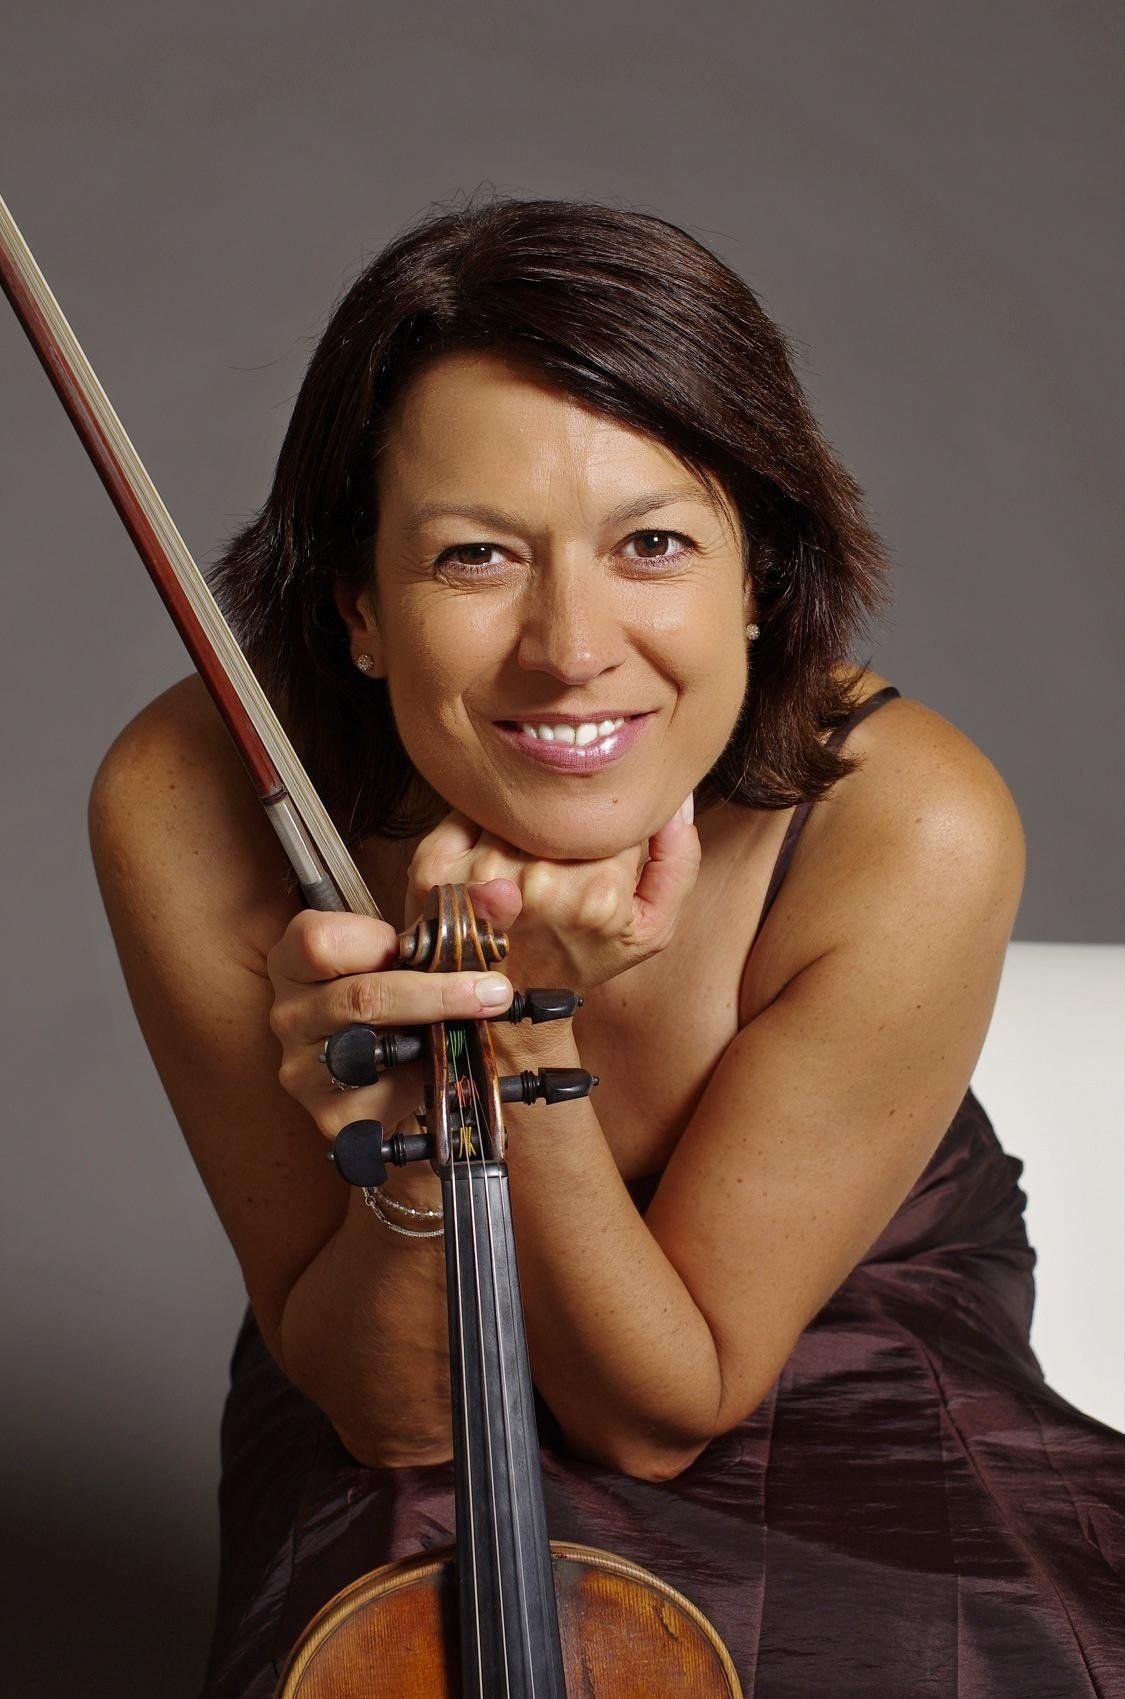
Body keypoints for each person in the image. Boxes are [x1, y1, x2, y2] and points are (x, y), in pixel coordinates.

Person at [88, 198, 1121, 1698]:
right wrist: (428, 1134)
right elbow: (396, 1419)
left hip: (860, 1397)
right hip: (414, 1375)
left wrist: (518, 1032)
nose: (571, 648)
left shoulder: (910, 821)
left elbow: (656, 1413)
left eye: (652, 543)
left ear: (759, 580)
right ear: (358, 605)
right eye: (474, 557)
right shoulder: (192, 797)